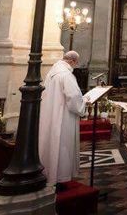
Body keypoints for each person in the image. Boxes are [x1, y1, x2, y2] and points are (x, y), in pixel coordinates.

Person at [38, 51, 88, 187]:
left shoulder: (52, 73)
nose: (75, 66)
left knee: (51, 144)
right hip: (63, 117)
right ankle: (60, 177)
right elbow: (73, 98)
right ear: (72, 61)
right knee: (62, 145)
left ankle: (49, 173)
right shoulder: (66, 75)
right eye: (76, 63)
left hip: (51, 114)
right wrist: (84, 102)